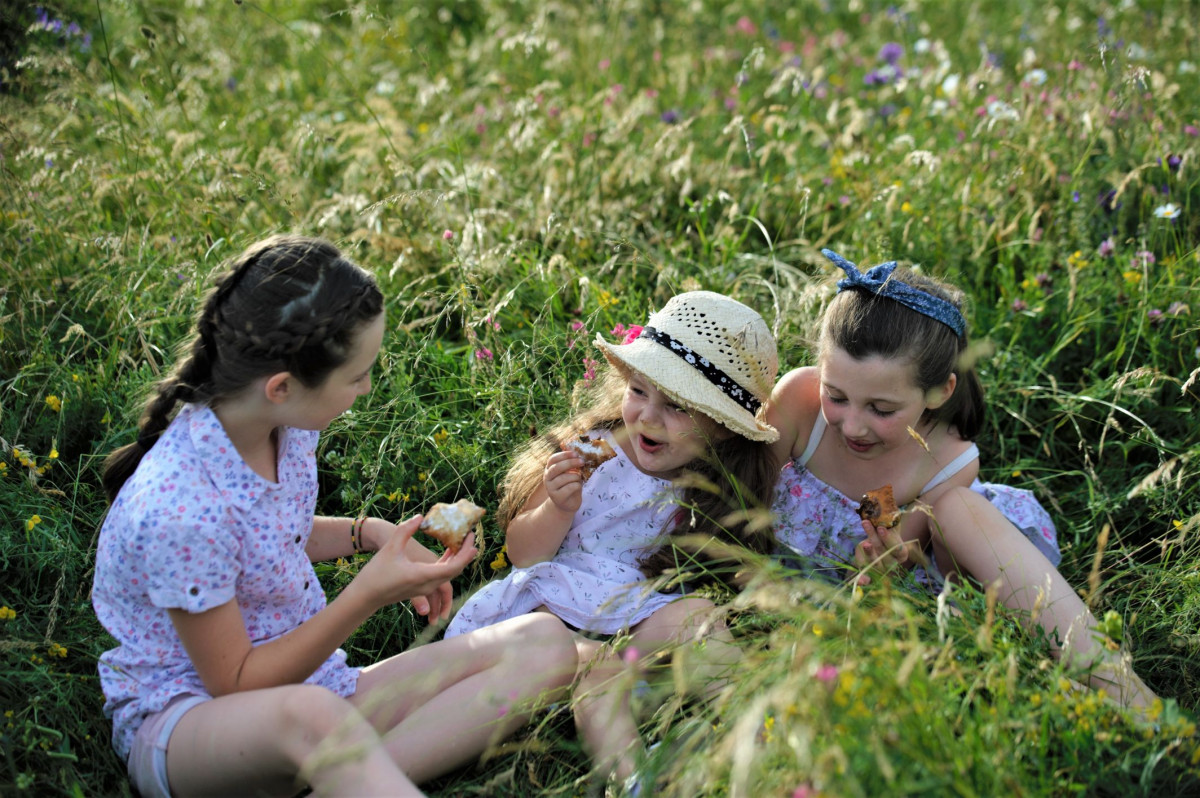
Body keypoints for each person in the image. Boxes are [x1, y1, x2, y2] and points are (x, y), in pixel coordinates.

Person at [91, 235, 578, 798]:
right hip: (192, 727)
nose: (367, 387)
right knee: (312, 715)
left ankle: (350, 780)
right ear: (282, 387)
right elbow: (236, 682)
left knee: (544, 641)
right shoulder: (181, 508)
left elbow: (272, 539)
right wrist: (365, 595)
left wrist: (368, 534)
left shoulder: (285, 430)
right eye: (356, 375)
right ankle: (353, 772)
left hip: (317, 698)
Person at [768, 248, 1156, 709]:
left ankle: (1129, 696)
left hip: (909, 584)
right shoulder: (800, 402)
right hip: (789, 588)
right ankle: (1052, 687)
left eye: (881, 409)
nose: (852, 426)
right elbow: (742, 491)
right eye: (837, 396)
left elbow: (896, 560)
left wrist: (886, 557)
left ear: (939, 392)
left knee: (960, 507)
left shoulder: (945, 458)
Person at [445, 291, 781, 787]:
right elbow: (522, 554)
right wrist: (558, 507)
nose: (647, 416)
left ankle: (763, 731)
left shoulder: (717, 488)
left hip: (639, 628)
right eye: (639, 391)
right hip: (555, 623)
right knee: (599, 675)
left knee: (697, 619)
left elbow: (728, 576)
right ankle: (633, 778)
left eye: (677, 408)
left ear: (725, 429)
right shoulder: (589, 453)